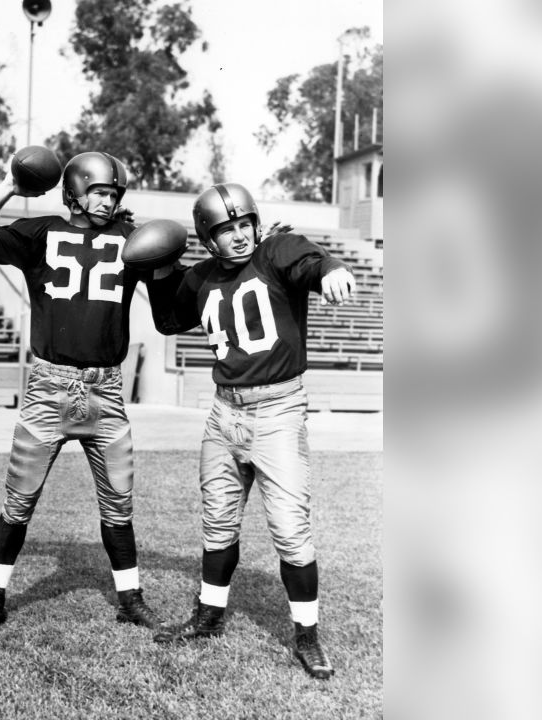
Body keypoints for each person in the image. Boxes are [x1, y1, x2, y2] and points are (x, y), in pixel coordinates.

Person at [145, 182, 355, 679]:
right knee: (217, 520)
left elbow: (310, 261)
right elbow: (167, 320)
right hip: (224, 413)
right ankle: (209, 615)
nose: (239, 236)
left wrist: (332, 271)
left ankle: (308, 635)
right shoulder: (201, 278)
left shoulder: (276, 250)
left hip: (278, 410)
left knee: (289, 528)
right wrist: (155, 270)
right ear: (208, 237)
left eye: (244, 224)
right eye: (225, 229)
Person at [0, 152, 162, 635]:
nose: (109, 201)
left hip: (106, 391)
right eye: (101, 191)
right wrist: (10, 183)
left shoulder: (130, 239)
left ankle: (130, 598)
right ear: (74, 192)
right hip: (49, 387)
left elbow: (172, 300)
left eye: (114, 193)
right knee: (18, 500)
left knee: (119, 502)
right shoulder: (42, 231)